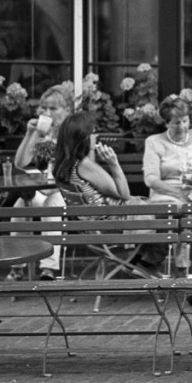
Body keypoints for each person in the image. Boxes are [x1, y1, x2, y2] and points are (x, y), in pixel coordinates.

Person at [53, 111, 166, 274]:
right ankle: (145, 264)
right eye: (93, 132)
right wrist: (114, 163)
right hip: (112, 226)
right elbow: (124, 194)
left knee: (161, 213)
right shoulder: (84, 165)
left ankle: (135, 262)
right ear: (83, 137)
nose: (96, 136)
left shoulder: (62, 167)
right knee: (170, 217)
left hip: (92, 229)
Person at [6, 83, 74, 282]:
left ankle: (48, 269)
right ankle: (17, 266)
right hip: (42, 190)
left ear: (67, 110)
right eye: (44, 108)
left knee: (52, 205)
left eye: (53, 108)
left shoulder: (72, 132)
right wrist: (30, 134)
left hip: (66, 193)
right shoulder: (41, 132)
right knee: (20, 207)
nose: (48, 112)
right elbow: (20, 163)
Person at [143, 96, 192, 270]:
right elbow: (151, 179)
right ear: (166, 122)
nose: (182, 126)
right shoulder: (154, 142)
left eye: (185, 121)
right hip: (168, 190)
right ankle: (185, 265)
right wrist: (179, 194)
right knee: (179, 208)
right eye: (176, 123)